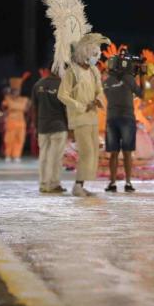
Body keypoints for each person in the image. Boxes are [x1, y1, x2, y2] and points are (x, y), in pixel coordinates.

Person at [57, 33, 108, 197]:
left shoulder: (94, 71)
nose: (96, 58)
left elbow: (99, 90)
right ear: (85, 53)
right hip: (79, 118)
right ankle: (78, 185)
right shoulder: (72, 72)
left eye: (97, 55)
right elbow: (62, 95)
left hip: (93, 117)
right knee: (86, 152)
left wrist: (98, 99)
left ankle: (83, 184)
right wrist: (81, 106)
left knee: (93, 152)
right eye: (94, 54)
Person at [103, 52, 145, 193]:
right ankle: (128, 182)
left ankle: (112, 183)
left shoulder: (107, 81)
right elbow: (142, 94)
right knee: (127, 152)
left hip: (111, 119)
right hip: (127, 118)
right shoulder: (129, 79)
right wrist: (141, 76)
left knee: (113, 153)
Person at [32, 70, 69, 194]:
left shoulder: (38, 85)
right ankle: (53, 184)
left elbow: (34, 108)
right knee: (55, 157)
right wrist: (70, 126)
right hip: (58, 126)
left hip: (42, 126)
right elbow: (66, 108)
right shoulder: (62, 85)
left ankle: (43, 184)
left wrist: (36, 126)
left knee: (43, 156)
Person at [2, 75, 30, 163]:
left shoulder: (24, 99)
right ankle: (8, 155)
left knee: (20, 139)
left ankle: (16, 155)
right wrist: (16, 106)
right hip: (11, 121)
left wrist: (15, 107)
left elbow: (26, 108)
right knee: (9, 139)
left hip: (21, 122)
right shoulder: (7, 98)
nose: (16, 92)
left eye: (17, 90)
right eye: (14, 91)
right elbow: (5, 107)